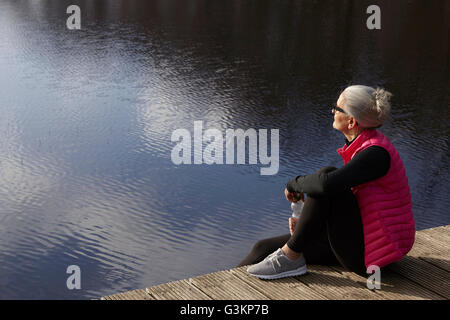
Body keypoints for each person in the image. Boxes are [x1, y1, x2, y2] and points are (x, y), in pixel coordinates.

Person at [238, 85, 416, 279]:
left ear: (351, 121)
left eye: (337, 109)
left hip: (373, 257)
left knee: (326, 176)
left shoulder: (376, 154)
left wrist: (293, 183)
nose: (333, 111)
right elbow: (351, 203)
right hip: (363, 240)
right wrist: (308, 221)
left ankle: (290, 258)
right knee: (262, 248)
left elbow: (326, 184)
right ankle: (231, 287)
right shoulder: (365, 146)